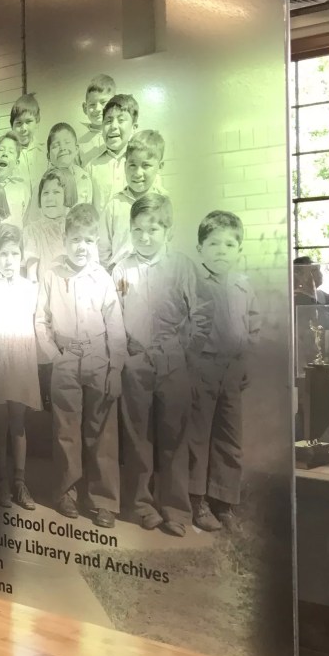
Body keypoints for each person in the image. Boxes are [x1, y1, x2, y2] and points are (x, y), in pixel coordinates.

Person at [112, 194, 208, 537]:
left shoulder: (181, 266)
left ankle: (176, 510)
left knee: (174, 436)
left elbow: (200, 315)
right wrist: (127, 351)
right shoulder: (122, 269)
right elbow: (114, 313)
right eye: (138, 230)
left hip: (173, 361)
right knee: (138, 436)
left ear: (167, 229)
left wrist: (183, 349)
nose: (145, 236)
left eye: (153, 229)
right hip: (136, 361)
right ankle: (142, 505)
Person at [35, 203, 126, 528]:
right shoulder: (52, 275)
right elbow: (41, 320)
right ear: (65, 239)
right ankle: (67, 493)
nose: (81, 247)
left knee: (101, 431)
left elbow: (115, 326)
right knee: (66, 429)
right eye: (76, 239)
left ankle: (103, 500)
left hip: (99, 356)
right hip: (66, 358)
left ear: (97, 242)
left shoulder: (102, 278)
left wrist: (116, 369)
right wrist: (54, 354)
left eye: (88, 240)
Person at [189, 210, 260, 532]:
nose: (221, 250)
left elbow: (254, 326)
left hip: (232, 369)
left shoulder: (244, 286)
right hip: (200, 368)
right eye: (213, 243)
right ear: (200, 248)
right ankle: (197, 500)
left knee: (229, 438)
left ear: (239, 251)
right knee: (198, 437)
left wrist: (245, 359)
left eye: (229, 245)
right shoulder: (193, 284)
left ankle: (224, 501)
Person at [0, 224, 42, 510]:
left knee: (18, 421)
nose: (8, 259)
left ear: (21, 256)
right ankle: (0, 480)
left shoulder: (30, 288)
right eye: (2, 254)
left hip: (20, 360)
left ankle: (20, 481)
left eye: (13, 253)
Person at [99, 129, 167, 269]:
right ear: (125, 166)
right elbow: (103, 249)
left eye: (146, 165)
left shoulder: (165, 205)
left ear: (159, 167)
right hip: (121, 282)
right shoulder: (114, 205)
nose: (137, 173)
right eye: (132, 165)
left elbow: (173, 245)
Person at [89, 93, 140, 211]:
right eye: (108, 121)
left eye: (121, 120)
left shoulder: (142, 166)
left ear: (134, 128)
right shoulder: (91, 168)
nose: (113, 126)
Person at [23, 168, 74, 283]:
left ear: (66, 196)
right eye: (45, 193)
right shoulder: (32, 231)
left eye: (56, 192)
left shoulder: (74, 229)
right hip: (43, 293)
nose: (50, 198)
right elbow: (32, 276)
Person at [0, 132, 31, 228]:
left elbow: (27, 223)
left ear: (16, 163)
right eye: (1, 149)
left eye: (11, 152)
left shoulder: (23, 190)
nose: (5, 154)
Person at [45, 122, 94, 207]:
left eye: (67, 142)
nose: (62, 148)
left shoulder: (84, 178)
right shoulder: (43, 183)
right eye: (56, 145)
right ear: (48, 156)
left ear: (76, 149)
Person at [78, 74, 116, 165]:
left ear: (114, 105)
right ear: (84, 108)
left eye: (103, 102)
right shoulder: (79, 144)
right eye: (92, 104)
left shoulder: (120, 136)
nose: (98, 109)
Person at [9, 94, 47, 181]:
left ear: (37, 122)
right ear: (12, 125)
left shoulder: (45, 152)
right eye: (19, 123)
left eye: (28, 122)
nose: (23, 129)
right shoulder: (8, 154)